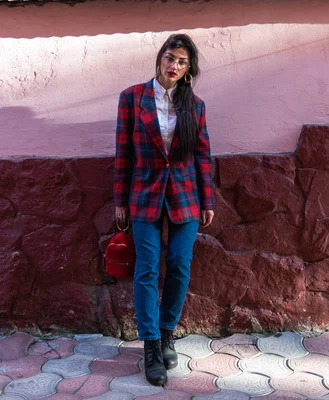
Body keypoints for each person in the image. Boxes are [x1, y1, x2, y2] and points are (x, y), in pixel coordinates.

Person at [113, 33, 215, 387]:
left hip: (186, 196)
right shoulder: (132, 98)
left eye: (182, 62)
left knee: (179, 265)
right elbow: (123, 151)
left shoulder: (195, 105)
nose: (174, 65)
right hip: (143, 194)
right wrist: (119, 200)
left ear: (189, 69)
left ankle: (169, 331)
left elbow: (202, 155)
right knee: (146, 269)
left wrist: (208, 200)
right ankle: (152, 345)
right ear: (160, 59)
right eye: (170, 58)